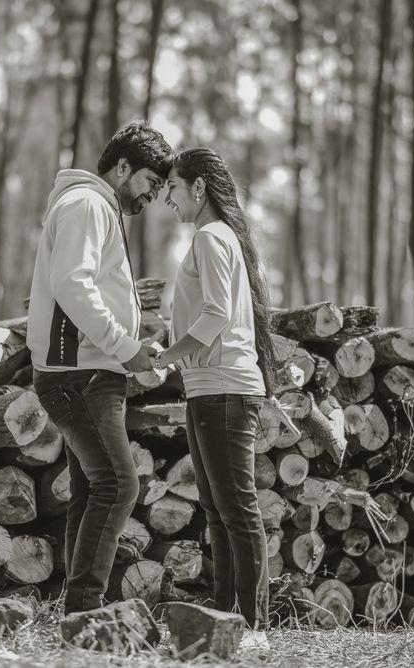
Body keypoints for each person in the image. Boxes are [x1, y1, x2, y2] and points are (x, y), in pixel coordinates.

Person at [27, 121, 173, 614]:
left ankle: (79, 609)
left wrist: (129, 348)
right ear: (124, 167)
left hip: (88, 370)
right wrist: (121, 345)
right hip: (78, 374)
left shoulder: (97, 206)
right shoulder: (88, 204)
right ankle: (86, 612)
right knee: (119, 484)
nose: (153, 194)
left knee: (93, 488)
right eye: (150, 182)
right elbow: (72, 282)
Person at [153, 148, 276, 649]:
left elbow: (216, 316)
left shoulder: (209, 236)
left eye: (174, 189)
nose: (168, 201)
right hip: (211, 390)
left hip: (225, 391)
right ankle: (226, 621)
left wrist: (165, 358)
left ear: (198, 187)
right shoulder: (219, 238)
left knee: (237, 510)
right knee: (220, 509)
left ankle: (253, 628)